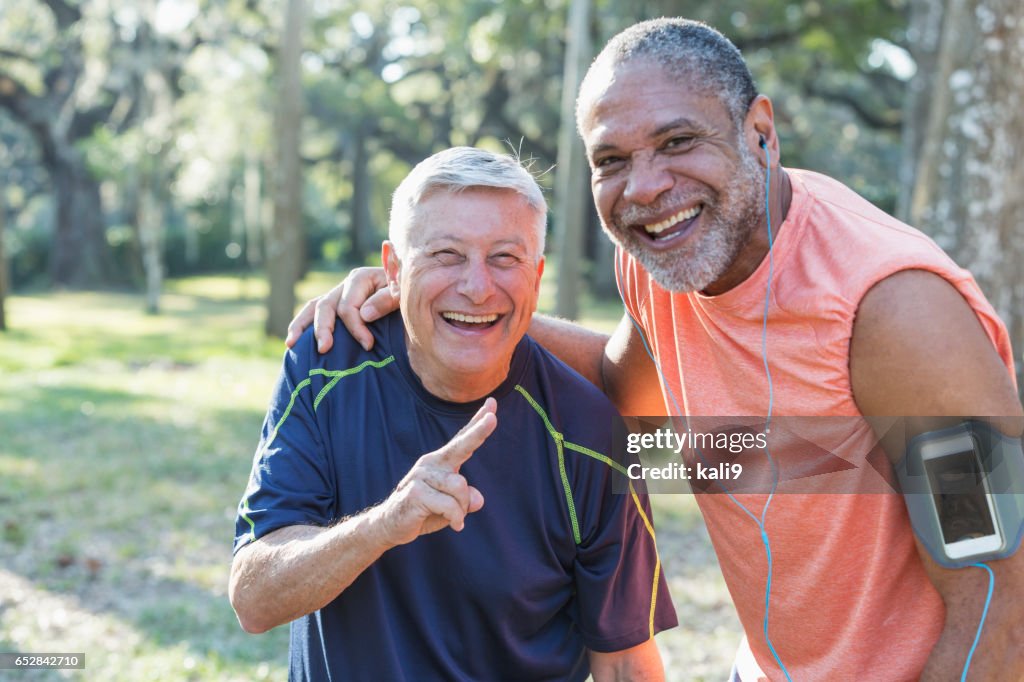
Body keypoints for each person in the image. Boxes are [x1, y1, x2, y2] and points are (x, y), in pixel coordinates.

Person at [289, 18, 1024, 681]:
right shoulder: (663, 266)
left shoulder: (894, 311)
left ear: (760, 131)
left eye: (678, 142)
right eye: (612, 159)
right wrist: (442, 302)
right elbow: (630, 401)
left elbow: (996, 592)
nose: (646, 188)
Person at [230, 146, 676, 681]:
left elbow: (625, 662)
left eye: (504, 258)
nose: (477, 286)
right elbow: (254, 600)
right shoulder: (327, 365)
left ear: (536, 277)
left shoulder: (591, 433)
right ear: (393, 267)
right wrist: (384, 525)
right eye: (446, 254)